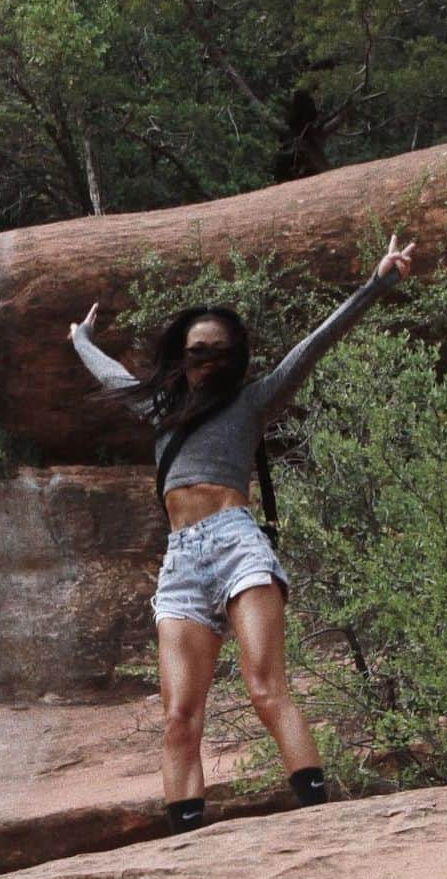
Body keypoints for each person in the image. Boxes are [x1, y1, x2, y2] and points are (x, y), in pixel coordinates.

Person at [69, 235, 415, 833]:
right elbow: (114, 376)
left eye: (219, 351)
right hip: (179, 560)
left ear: (235, 358)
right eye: (197, 349)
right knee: (179, 715)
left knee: (265, 687)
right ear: (182, 355)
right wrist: (80, 341)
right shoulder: (160, 409)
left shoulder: (253, 402)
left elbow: (315, 345)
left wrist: (377, 284)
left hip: (236, 544)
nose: (207, 359)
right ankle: (188, 843)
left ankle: (317, 820)